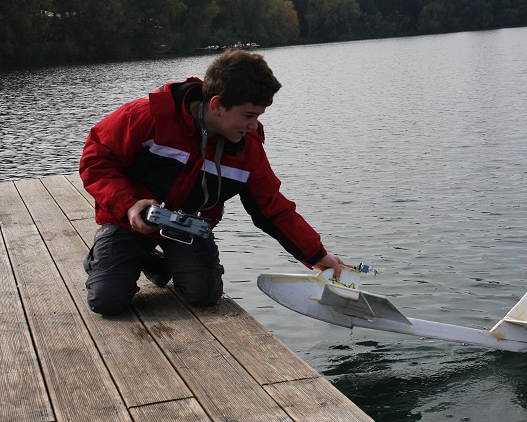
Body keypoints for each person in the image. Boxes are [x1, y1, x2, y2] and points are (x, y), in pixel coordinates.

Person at [80, 50, 343, 316]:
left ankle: (156, 261)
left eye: (258, 116)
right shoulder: (149, 115)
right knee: (107, 301)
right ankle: (105, 258)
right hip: (127, 222)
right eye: (248, 115)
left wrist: (317, 256)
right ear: (216, 105)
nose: (254, 126)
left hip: (188, 228)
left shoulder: (248, 149)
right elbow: (95, 159)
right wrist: (128, 204)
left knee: (204, 294)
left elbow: (272, 208)